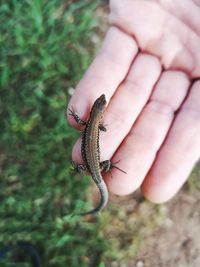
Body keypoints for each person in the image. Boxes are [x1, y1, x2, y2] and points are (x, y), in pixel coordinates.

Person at [67, 0, 200, 204]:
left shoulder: (90, 124)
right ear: (98, 113)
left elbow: (94, 126)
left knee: (103, 164)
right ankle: (93, 175)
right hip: (93, 164)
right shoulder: (93, 125)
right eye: (101, 104)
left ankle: (92, 176)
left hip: (94, 163)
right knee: (105, 165)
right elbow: (99, 129)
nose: (103, 101)